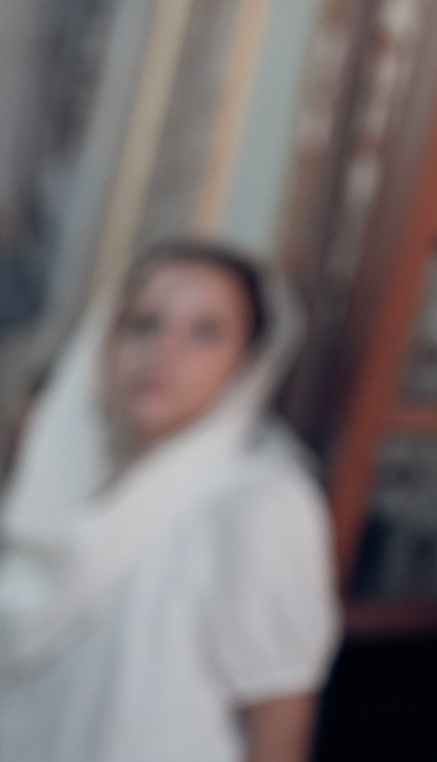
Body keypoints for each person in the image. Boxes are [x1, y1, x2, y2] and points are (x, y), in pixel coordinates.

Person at [0, 240, 337, 762]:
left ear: (247, 361)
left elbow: (280, 718)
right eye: (144, 324)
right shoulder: (63, 482)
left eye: (205, 333)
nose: (163, 354)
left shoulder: (262, 503)